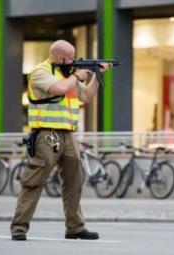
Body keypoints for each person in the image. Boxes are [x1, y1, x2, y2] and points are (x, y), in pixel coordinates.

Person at [10, 40, 112, 241]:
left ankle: (75, 227)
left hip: (68, 134)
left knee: (75, 182)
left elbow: (87, 97)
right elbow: (59, 89)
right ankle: (19, 226)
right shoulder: (40, 72)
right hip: (46, 134)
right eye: (71, 58)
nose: (74, 61)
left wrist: (97, 76)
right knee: (34, 180)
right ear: (59, 57)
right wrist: (76, 75)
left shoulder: (68, 75)